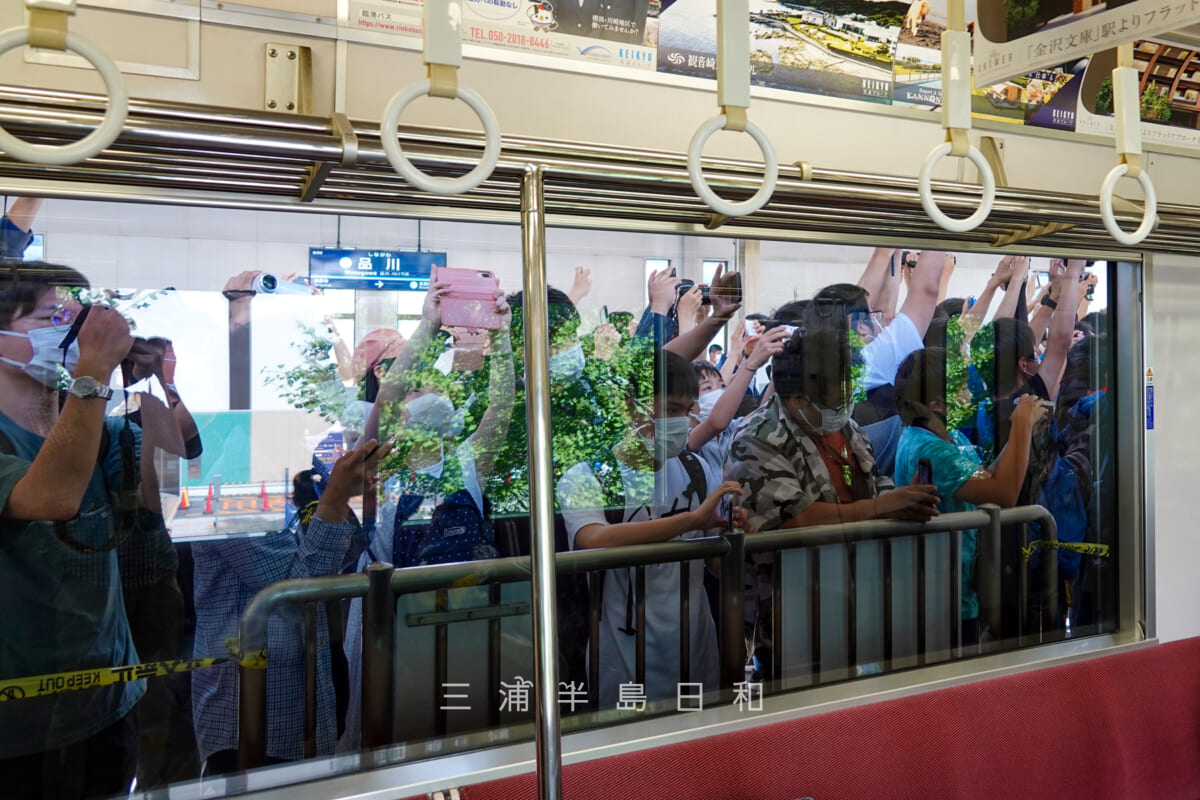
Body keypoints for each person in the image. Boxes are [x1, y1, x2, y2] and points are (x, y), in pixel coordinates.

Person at [0, 262, 145, 799]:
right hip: (17, 725)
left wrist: (150, 382)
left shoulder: (90, 425)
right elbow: (51, 497)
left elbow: (162, 497)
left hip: (105, 698)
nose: (69, 333)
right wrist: (94, 373)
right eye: (49, 317)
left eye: (73, 317)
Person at [556, 348, 748, 707]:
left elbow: (716, 564)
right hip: (622, 651)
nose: (684, 422)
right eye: (672, 410)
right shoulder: (589, 476)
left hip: (696, 643)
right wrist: (690, 521)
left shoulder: (697, 469)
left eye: (688, 410)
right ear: (631, 406)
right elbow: (592, 539)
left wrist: (729, 535)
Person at [191, 437, 390, 774]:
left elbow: (352, 548)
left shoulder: (299, 483)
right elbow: (300, 589)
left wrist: (349, 491)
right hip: (254, 712)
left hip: (310, 688)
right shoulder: (229, 496)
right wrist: (337, 496)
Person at [892, 348, 1046, 645]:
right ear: (936, 404)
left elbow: (985, 480)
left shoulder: (949, 436)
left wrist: (1023, 433)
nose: (969, 393)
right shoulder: (929, 448)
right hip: (943, 596)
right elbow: (1003, 494)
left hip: (961, 584)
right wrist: (1021, 427)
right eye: (961, 387)